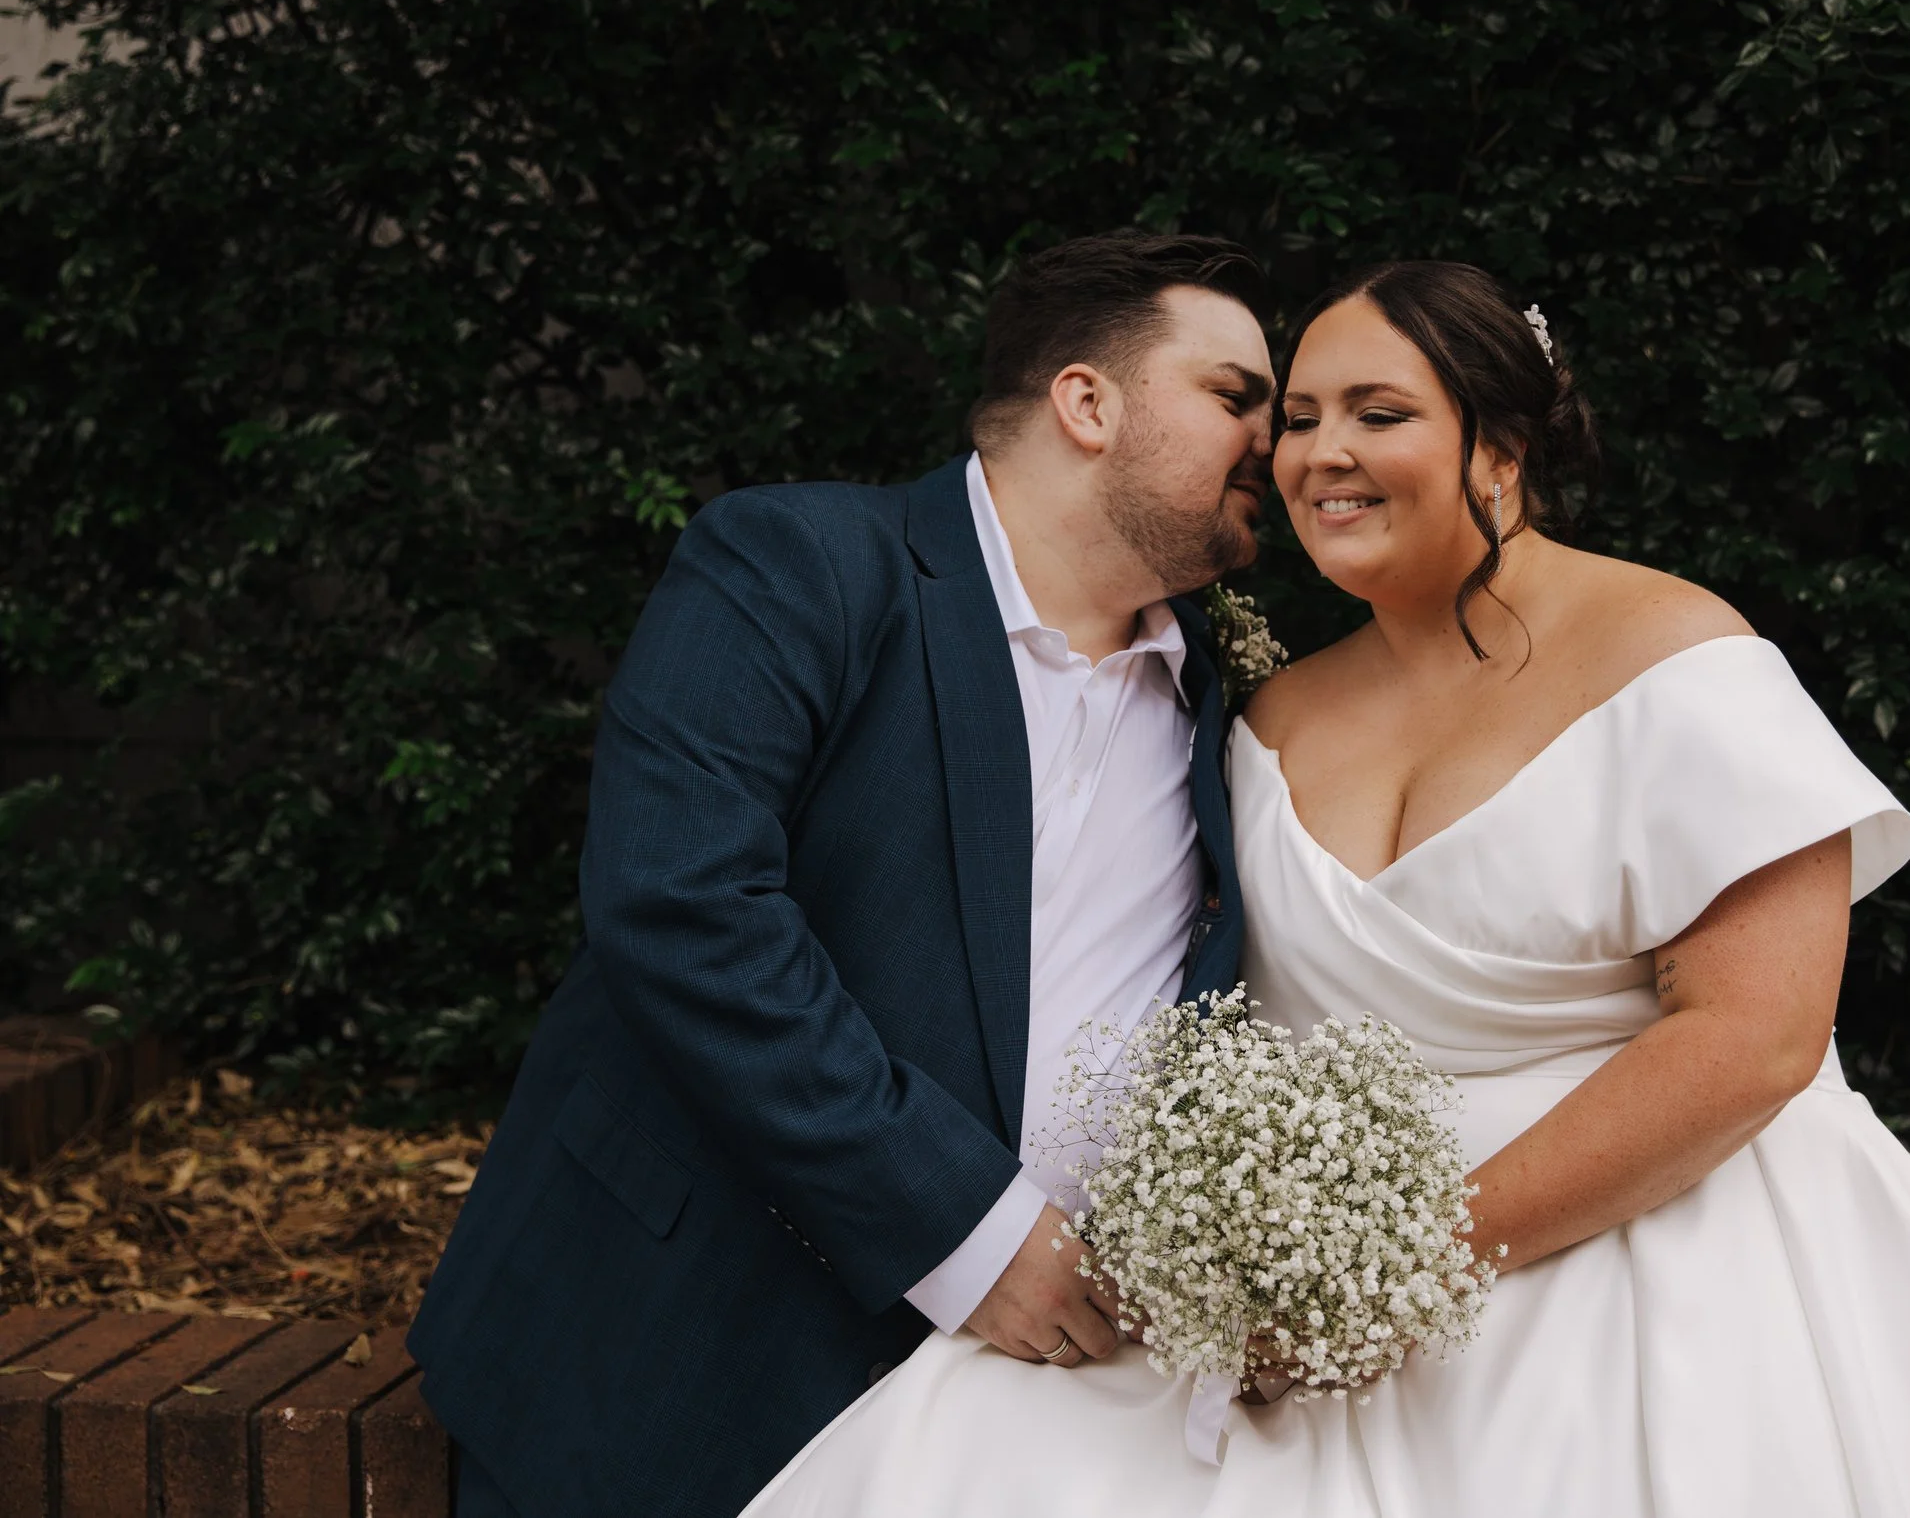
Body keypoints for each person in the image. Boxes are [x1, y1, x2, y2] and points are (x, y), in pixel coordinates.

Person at [740, 261, 1910, 1516]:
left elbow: (1757, 1036)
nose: (1319, 452)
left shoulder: (1679, 656)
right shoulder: (1262, 714)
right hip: (1304, 1286)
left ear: (1500, 445)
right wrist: (1240, 1253)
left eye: (1381, 414)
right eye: (1297, 419)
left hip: (1658, 1260)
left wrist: (1398, 1268)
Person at [406, 231, 1280, 1517]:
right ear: (1087, 401)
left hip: (1043, 1419)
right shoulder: (801, 563)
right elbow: (683, 907)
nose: (1285, 437)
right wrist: (965, 1230)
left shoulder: (1226, 692)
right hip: (694, 1347)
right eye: (1236, 395)